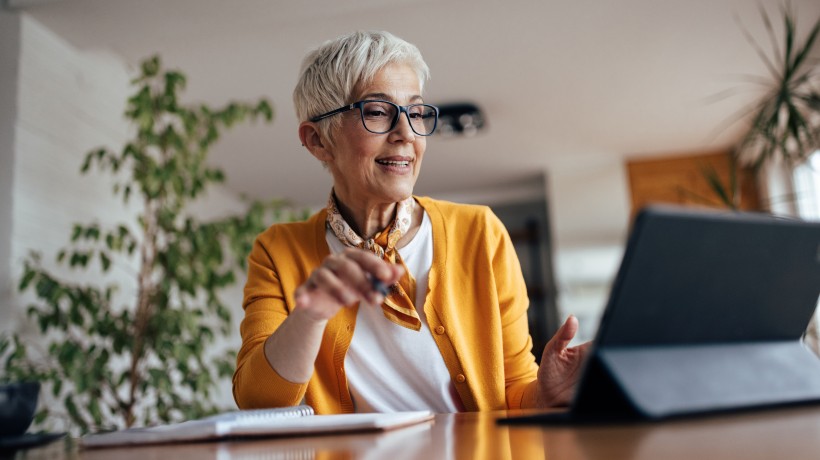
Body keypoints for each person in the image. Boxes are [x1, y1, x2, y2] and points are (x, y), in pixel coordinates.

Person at [233, 30, 589, 414]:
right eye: (378, 112)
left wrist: (546, 395)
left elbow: (514, 391)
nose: (406, 134)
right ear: (318, 140)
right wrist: (313, 311)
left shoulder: (480, 232)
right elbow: (258, 400)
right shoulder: (277, 251)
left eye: (416, 112)